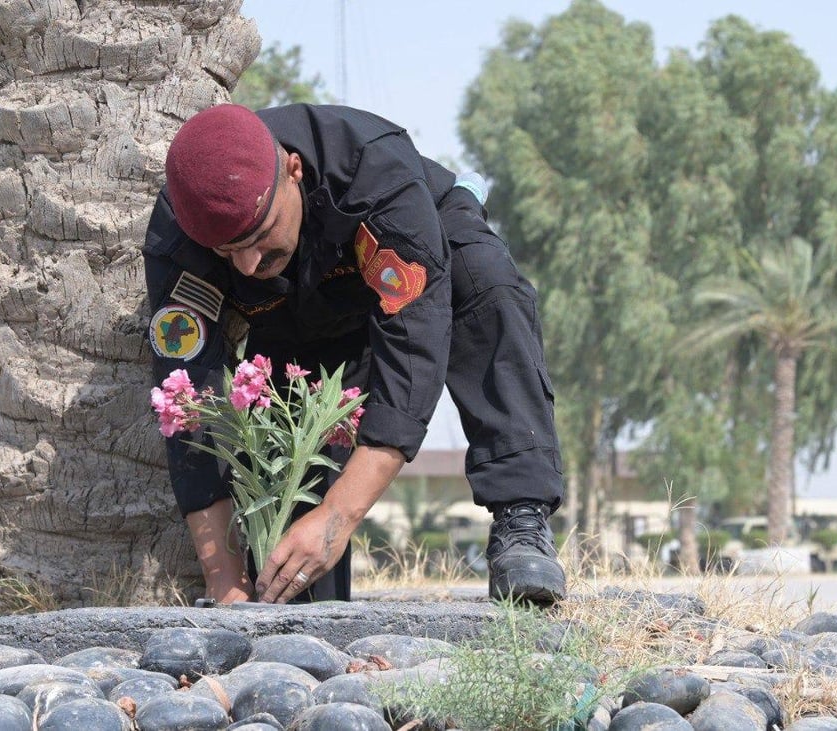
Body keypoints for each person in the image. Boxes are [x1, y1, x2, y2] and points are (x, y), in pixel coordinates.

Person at [143, 103, 566, 606]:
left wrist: (339, 516)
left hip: (420, 258)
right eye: (227, 252)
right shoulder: (179, 234)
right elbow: (187, 403)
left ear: (293, 170)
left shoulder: (374, 169)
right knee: (289, 569)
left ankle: (521, 522)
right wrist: (225, 582)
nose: (248, 263)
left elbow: (415, 350)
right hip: (291, 328)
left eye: (258, 236)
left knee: (486, 280)